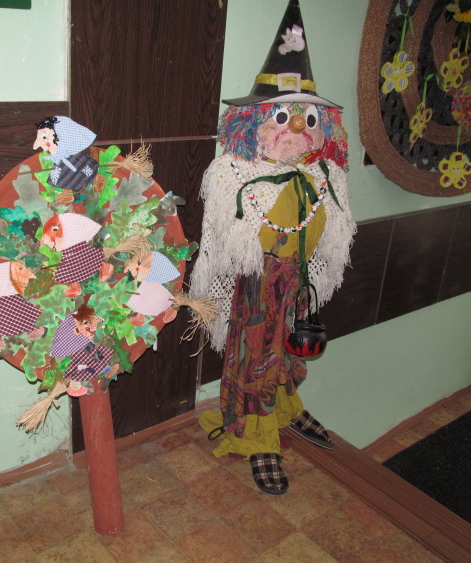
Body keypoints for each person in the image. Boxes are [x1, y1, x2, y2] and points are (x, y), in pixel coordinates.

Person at [191, 0, 355, 496]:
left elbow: (333, 235)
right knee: (257, 357)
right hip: (257, 287)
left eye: (308, 118)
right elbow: (225, 239)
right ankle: (257, 435)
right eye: (283, 116)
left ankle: (285, 407)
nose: (297, 129)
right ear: (254, 121)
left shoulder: (325, 174)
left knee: (288, 351)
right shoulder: (233, 173)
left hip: (296, 284)